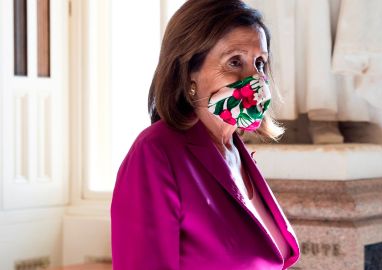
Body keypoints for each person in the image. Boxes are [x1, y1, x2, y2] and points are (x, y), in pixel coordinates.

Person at [110, 1, 301, 269]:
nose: (255, 78)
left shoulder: (235, 150)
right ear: (189, 73)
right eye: (235, 61)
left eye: (260, 63)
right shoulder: (156, 151)